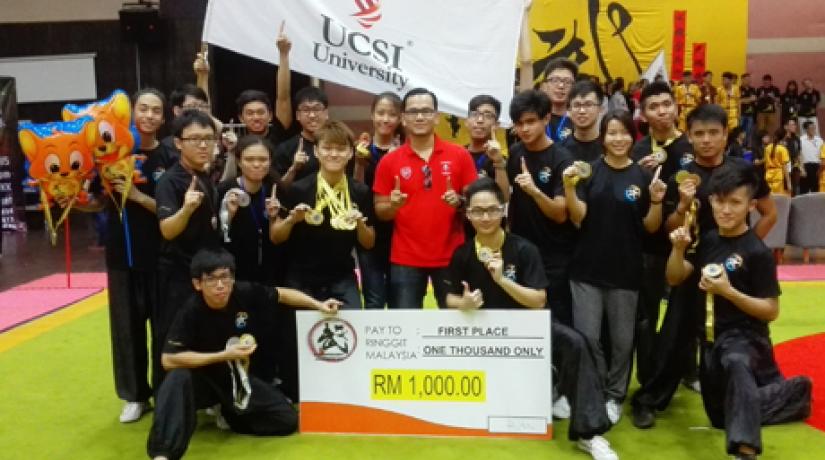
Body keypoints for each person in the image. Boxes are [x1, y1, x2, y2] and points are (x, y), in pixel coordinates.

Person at [446, 178, 617, 460]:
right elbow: (446, 299)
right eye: (478, 211)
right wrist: (462, 303)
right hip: (482, 332)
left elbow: (538, 301)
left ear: (503, 210)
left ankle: (589, 433)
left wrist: (501, 281)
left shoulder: (524, 249)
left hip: (528, 326)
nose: (485, 217)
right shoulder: (462, 254)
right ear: (468, 215)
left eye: (492, 209)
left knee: (575, 343)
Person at [630, 104, 776, 429]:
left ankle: (741, 396)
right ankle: (649, 399)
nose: (707, 140)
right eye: (699, 133)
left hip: (735, 273)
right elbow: (670, 226)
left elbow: (769, 213)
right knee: (674, 337)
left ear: (726, 134)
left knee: (735, 337)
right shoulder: (679, 171)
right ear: (689, 135)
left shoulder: (743, 169)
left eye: (714, 133)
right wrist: (682, 206)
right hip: (693, 265)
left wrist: (747, 251)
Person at [665, 165, 811, 460]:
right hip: (709, 345)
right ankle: (796, 393)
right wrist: (678, 250)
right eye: (719, 201)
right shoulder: (707, 240)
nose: (726, 210)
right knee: (721, 418)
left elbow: (771, 310)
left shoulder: (757, 252)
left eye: (735, 203)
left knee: (736, 360)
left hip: (746, 340)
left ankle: (745, 450)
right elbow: (674, 278)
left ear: (750, 206)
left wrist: (729, 292)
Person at [146, 247, 342, 460]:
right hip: (200, 380)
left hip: (234, 378)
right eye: (211, 279)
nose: (220, 285)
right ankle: (163, 453)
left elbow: (282, 294)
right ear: (197, 284)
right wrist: (222, 355)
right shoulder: (190, 310)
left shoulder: (243, 292)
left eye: (225, 277)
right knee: (177, 377)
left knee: (287, 421)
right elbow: (168, 359)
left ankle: (231, 415)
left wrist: (318, 305)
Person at [563, 110, 667, 425]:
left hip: (626, 273)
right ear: (603, 138)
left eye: (624, 133)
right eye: (612, 133)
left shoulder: (643, 177)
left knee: (623, 342)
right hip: (587, 271)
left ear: (632, 137)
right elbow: (578, 217)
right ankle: (594, 389)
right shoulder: (588, 172)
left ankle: (614, 395)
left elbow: (651, 227)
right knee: (588, 337)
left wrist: (658, 200)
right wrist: (569, 188)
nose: (618, 139)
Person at [88, 89, 178, 423]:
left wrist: (138, 195)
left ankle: (165, 391)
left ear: (163, 118)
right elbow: (98, 201)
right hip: (121, 256)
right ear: (131, 113)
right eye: (144, 109)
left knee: (164, 329)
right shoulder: (109, 151)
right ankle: (135, 395)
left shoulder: (169, 156)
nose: (150, 116)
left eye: (156, 111)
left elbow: (173, 209)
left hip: (161, 257)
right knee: (126, 330)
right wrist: (75, 200)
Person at [373, 88, 477, 309]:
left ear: (437, 117)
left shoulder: (460, 155)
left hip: (452, 256)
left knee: (456, 326)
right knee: (407, 329)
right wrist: (393, 206)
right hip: (405, 259)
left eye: (426, 111)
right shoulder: (389, 161)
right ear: (403, 118)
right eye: (413, 112)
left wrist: (459, 202)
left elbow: (476, 205)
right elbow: (379, 212)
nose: (419, 117)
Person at [630, 81, 696, 388]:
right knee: (646, 318)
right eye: (653, 106)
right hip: (650, 248)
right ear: (643, 114)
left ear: (676, 107)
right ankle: (648, 380)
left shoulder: (692, 146)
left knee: (687, 314)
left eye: (666, 104)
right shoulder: (637, 151)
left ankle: (688, 371)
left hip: (689, 246)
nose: (661, 111)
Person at [271, 120, 375, 309]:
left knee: (352, 331)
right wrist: (292, 220)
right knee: (300, 336)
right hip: (301, 277)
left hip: (342, 276)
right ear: (316, 152)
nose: (334, 154)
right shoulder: (297, 189)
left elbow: (368, 242)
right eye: (327, 148)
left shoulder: (360, 192)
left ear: (351, 153)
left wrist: (360, 224)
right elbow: (276, 237)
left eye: (340, 149)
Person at [154, 110, 222, 389]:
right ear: (178, 143)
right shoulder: (170, 181)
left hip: (204, 271)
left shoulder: (204, 175)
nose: (203, 145)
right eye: (195, 139)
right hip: (178, 274)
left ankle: (205, 399)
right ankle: (167, 400)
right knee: (173, 337)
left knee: (204, 334)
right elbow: (168, 229)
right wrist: (186, 208)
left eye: (208, 139)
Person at [217, 135, 283, 384]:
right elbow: (216, 237)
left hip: (268, 273)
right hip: (237, 275)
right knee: (237, 328)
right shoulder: (225, 190)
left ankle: (267, 380)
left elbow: (283, 237)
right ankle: (234, 383)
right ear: (239, 161)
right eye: (250, 159)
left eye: (262, 159)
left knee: (267, 327)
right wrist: (230, 216)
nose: (257, 165)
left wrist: (275, 217)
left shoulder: (276, 189)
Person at [352, 92, 402, 309]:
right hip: (369, 231)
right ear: (372, 115)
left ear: (400, 118)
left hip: (401, 234)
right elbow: (356, 189)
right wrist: (359, 165)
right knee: (374, 298)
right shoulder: (360, 151)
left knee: (399, 298)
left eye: (392, 114)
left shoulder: (406, 152)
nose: (385, 119)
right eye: (380, 113)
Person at [272, 86, 331, 189]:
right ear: (298, 115)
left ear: (326, 113)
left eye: (317, 109)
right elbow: (278, 190)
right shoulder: (285, 148)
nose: (312, 115)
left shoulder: (339, 145)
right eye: (306, 110)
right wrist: (294, 168)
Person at [464, 95, 509, 199]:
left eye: (488, 116)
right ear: (466, 121)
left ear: (496, 125)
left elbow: (504, 198)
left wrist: (498, 162)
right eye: (475, 114)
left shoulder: (500, 159)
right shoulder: (457, 154)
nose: (480, 120)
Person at [561, 80, 606, 163]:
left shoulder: (609, 148)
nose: (582, 111)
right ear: (569, 110)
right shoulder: (560, 151)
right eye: (577, 105)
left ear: (600, 109)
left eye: (588, 105)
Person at [539, 58, 578, 142]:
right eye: (555, 80)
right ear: (544, 86)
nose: (561, 86)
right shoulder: (535, 118)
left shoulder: (578, 121)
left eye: (567, 82)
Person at [762, 130, 791, 195]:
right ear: (783, 137)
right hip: (778, 176)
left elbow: (765, 164)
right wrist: (788, 183)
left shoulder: (767, 148)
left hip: (768, 175)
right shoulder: (783, 149)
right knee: (778, 199)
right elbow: (785, 167)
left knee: (770, 197)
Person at [799, 121, 824, 193]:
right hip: (805, 166)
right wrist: (802, 168)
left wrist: (820, 169)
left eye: (814, 128)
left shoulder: (819, 140)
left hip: (817, 166)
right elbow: (799, 155)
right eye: (811, 128)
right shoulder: (801, 140)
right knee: (804, 189)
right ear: (806, 129)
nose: (813, 130)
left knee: (816, 189)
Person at [779, 119, 801, 195]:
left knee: (794, 189)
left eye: (795, 125)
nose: (795, 126)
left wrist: (801, 166)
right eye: (792, 125)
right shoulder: (781, 140)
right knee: (785, 189)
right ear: (785, 127)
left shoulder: (797, 139)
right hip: (784, 168)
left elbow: (798, 153)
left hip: (794, 167)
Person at [739, 73, 758, 147]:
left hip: (750, 114)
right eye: (746, 79)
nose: (748, 81)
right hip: (742, 114)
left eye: (749, 79)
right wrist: (749, 99)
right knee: (741, 131)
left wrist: (746, 100)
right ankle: (740, 146)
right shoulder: (739, 89)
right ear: (742, 80)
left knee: (749, 132)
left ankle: (746, 146)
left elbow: (755, 99)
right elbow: (739, 101)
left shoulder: (752, 89)